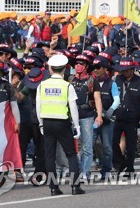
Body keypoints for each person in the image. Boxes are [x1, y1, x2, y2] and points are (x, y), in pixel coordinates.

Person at [36, 54, 84, 196]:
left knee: (50, 155)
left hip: (48, 122)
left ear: (50, 69)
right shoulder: (67, 85)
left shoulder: (42, 85)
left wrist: (41, 124)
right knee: (71, 154)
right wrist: (77, 126)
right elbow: (73, 108)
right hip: (62, 122)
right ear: (64, 69)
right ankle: (75, 186)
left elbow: (38, 107)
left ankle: (53, 188)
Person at [113, 57, 140, 176]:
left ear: (132, 69)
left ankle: (130, 167)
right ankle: (120, 162)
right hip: (118, 115)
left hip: (132, 117)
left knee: (131, 143)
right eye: (123, 70)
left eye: (127, 70)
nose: (124, 72)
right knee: (113, 141)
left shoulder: (139, 81)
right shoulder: (117, 78)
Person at [68, 54, 97, 180]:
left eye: (81, 64)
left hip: (87, 116)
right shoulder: (69, 79)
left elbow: (97, 98)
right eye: (76, 64)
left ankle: (85, 171)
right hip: (71, 117)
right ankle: (76, 169)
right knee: (73, 146)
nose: (78, 66)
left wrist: (99, 115)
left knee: (87, 146)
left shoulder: (92, 80)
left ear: (86, 66)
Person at [92, 56, 120, 180]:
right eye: (94, 68)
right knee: (91, 144)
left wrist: (110, 111)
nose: (95, 70)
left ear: (105, 69)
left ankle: (107, 170)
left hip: (107, 120)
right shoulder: (91, 82)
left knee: (107, 146)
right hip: (93, 119)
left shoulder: (111, 83)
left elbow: (117, 100)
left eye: (98, 68)